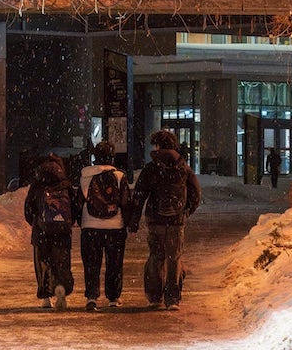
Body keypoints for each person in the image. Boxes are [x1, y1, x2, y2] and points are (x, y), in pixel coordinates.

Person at [131, 129, 202, 311]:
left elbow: (139, 195)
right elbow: (196, 194)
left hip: (155, 220)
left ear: (158, 145)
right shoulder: (183, 167)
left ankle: (154, 296)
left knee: (156, 256)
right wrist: (185, 212)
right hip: (176, 221)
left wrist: (134, 220)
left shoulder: (151, 168)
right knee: (174, 258)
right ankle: (172, 299)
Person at [77, 141, 133, 311]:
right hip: (115, 226)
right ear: (112, 156)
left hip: (90, 225)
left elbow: (79, 201)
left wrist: (81, 222)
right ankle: (113, 297)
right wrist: (129, 223)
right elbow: (126, 203)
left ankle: (92, 297)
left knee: (92, 263)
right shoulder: (119, 176)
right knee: (114, 263)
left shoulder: (85, 176)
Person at [23, 154, 80, 311]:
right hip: (62, 232)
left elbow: (28, 209)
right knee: (61, 263)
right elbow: (74, 208)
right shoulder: (66, 184)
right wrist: (67, 223)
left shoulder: (37, 185)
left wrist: (36, 223)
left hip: (41, 232)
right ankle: (61, 287)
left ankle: (46, 297)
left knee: (43, 264)